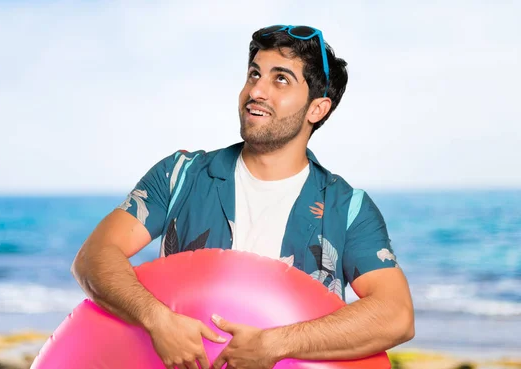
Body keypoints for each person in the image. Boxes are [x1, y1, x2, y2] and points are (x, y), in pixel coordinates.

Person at [71, 24, 415, 369]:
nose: (257, 91)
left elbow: (396, 314)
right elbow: (94, 256)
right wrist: (156, 319)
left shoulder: (348, 209)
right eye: (254, 74)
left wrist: (274, 344)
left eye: (280, 79)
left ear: (317, 109)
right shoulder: (180, 174)